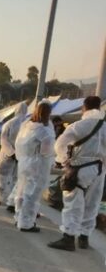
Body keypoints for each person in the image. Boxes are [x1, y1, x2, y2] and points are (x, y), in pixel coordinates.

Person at [48, 96, 106, 251]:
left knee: (73, 203)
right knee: (92, 203)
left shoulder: (79, 126)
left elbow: (60, 144)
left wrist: (64, 160)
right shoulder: (105, 126)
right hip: (100, 169)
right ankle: (84, 237)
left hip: (80, 167)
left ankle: (68, 237)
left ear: (84, 108)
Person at [13, 101, 55, 232]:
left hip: (24, 162)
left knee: (21, 191)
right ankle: (26, 223)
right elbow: (45, 151)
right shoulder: (45, 130)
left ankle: (18, 217)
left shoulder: (26, 126)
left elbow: (18, 144)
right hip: (37, 164)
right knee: (32, 195)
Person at [0, 102, 28, 206]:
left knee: (1, 176)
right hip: (22, 155)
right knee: (17, 179)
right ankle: (12, 202)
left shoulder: (9, 123)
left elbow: (3, 139)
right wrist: (20, 153)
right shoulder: (28, 124)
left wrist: (11, 152)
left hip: (7, 155)